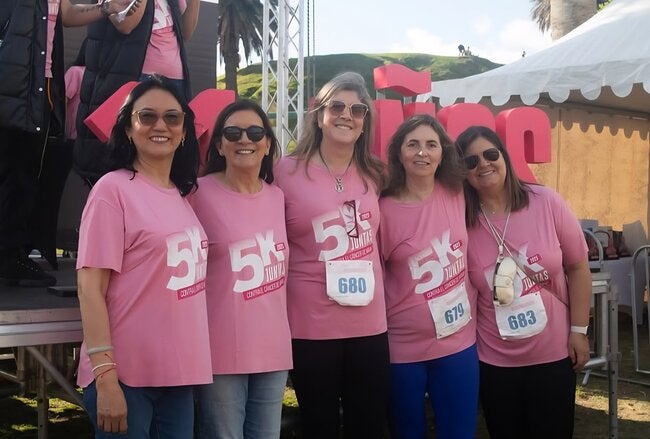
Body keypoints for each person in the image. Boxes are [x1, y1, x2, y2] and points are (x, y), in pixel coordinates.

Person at [76, 75, 212, 437]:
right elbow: (90, 289)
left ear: (184, 132)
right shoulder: (112, 190)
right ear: (128, 128)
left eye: (172, 117)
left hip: (178, 377)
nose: (160, 126)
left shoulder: (182, 196)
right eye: (147, 116)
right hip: (126, 378)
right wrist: (106, 378)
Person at [456, 125, 591, 438]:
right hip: (494, 361)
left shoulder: (545, 201)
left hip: (553, 353)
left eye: (490, 154)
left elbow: (578, 268)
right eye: (471, 161)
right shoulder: (461, 218)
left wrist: (579, 331)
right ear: (462, 171)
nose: (483, 164)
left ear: (504, 156)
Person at [274, 72, 389, 438]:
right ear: (319, 115)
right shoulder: (285, 172)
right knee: (319, 425)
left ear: (365, 121)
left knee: (368, 424)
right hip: (311, 326)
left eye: (357, 109)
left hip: (369, 324)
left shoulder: (376, 174)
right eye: (336, 106)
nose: (346, 115)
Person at [0, 0, 134, 286]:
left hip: (39, 85)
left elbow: (66, 13)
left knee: (23, 175)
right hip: (11, 81)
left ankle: (10, 255)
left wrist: (107, 8)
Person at [191, 100, 292, 438]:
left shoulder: (278, 197)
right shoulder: (197, 194)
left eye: (255, 132)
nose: (244, 139)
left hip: (274, 350)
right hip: (220, 350)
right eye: (232, 133)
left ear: (267, 144)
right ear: (219, 145)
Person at [379, 114, 478, 439]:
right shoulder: (383, 209)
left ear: (442, 152)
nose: (422, 152)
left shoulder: (457, 193)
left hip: (458, 343)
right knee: (407, 432)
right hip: (402, 349)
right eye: (413, 145)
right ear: (399, 152)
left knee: (459, 432)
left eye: (431, 145)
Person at [74, 0, 201, 185]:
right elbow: (126, 23)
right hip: (135, 76)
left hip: (175, 79)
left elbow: (185, 32)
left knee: (167, 156)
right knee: (126, 155)